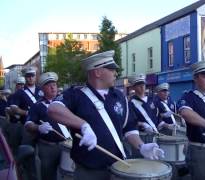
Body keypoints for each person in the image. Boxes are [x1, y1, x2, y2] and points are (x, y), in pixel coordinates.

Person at [48, 50, 164, 180]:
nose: (116, 73)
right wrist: (83, 125)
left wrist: (141, 146)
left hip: (119, 168)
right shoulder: (76, 95)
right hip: (89, 171)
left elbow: (129, 128)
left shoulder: (119, 97)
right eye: (111, 69)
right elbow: (54, 109)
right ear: (97, 72)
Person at [25, 72, 69, 180]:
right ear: (43, 89)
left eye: (54, 84)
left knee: (69, 175)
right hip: (48, 148)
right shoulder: (37, 106)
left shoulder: (66, 101)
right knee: (48, 175)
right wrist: (38, 128)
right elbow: (28, 124)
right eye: (48, 85)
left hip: (67, 145)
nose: (52, 87)